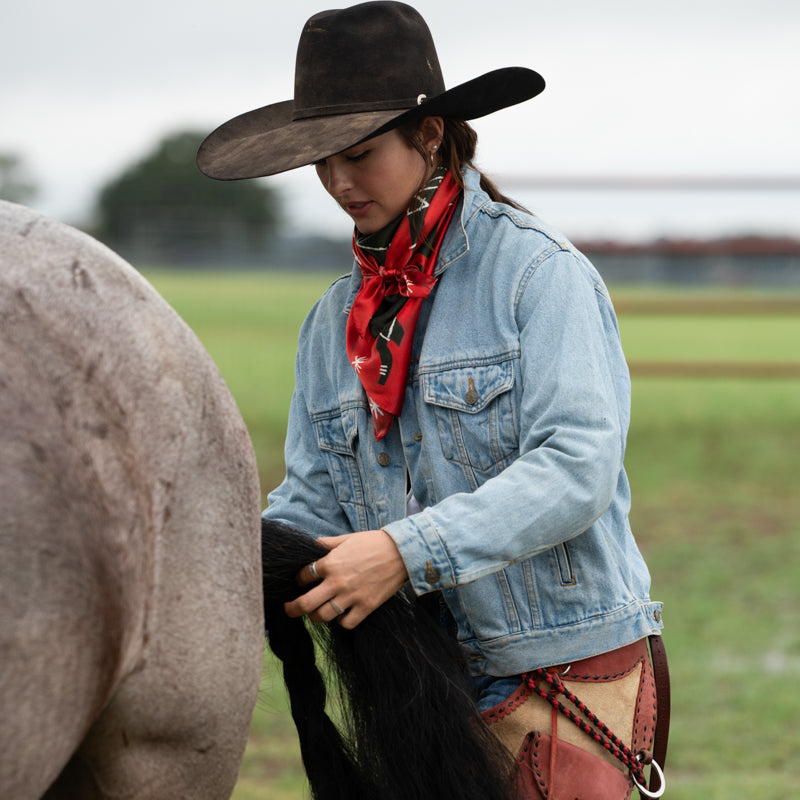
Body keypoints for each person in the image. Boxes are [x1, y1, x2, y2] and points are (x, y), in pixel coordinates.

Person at [198, 3, 667, 798]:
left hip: (558, 667)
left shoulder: (538, 275)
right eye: (322, 163)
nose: (340, 183)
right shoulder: (328, 326)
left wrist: (403, 552)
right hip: (418, 681)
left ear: (430, 136)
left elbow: (577, 468)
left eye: (359, 154)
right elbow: (314, 500)